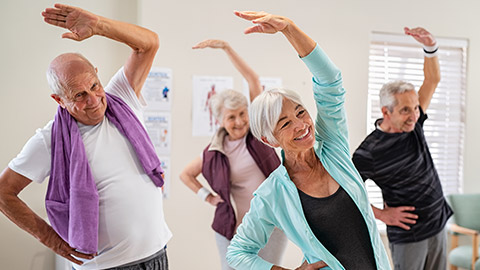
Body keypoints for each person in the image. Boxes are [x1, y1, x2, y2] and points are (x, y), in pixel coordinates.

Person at [0, 4, 171, 270]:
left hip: (157, 255)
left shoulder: (121, 98)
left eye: (94, 86)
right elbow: (3, 192)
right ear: (59, 100)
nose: (94, 100)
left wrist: (100, 26)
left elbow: (149, 44)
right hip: (106, 266)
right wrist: (50, 239)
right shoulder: (50, 140)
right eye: (79, 95)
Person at [226, 11, 391, 270]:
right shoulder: (272, 193)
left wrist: (288, 28)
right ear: (269, 140)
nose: (301, 125)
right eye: (285, 123)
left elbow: (330, 81)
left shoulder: (333, 148)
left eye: (300, 112)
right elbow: (238, 252)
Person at [180, 39, 288, 270]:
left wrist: (226, 49)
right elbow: (186, 175)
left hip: (272, 223)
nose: (239, 121)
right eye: (231, 117)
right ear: (219, 120)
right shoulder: (214, 152)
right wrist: (206, 196)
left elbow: (253, 80)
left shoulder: (258, 133)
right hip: (233, 228)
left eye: (242, 113)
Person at [352, 27, 452, 270]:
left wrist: (430, 47)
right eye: (406, 110)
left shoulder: (414, 125)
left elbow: (432, 80)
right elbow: (346, 191)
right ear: (386, 111)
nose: (414, 115)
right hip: (409, 237)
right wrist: (382, 214)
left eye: (416, 107)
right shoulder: (369, 152)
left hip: (438, 224)